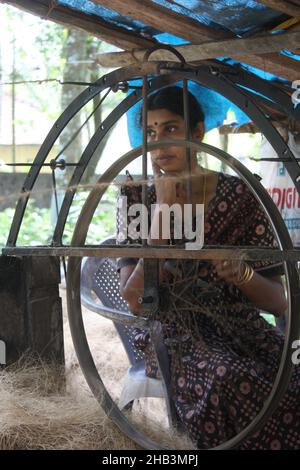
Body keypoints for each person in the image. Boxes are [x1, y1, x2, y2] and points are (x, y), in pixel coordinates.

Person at [116, 86, 300, 449]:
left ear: (197, 133)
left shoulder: (241, 195)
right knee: (224, 378)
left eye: (170, 129)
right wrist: (163, 218)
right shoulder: (136, 195)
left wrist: (242, 275)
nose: (158, 143)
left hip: (240, 326)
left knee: (290, 376)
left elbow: (279, 303)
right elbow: (135, 300)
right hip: (172, 330)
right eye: (150, 133)